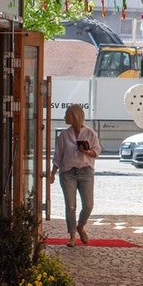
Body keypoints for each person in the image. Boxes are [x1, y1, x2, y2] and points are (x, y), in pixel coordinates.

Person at [49, 104, 100, 243]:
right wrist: (52, 173)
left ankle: (81, 226)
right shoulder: (64, 135)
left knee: (88, 205)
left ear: (75, 116)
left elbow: (97, 151)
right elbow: (58, 156)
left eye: (67, 114)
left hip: (86, 172)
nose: (65, 117)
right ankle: (72, 236)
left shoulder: (90, 133)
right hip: (68, 173)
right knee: (70, 205)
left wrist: (87, 151)